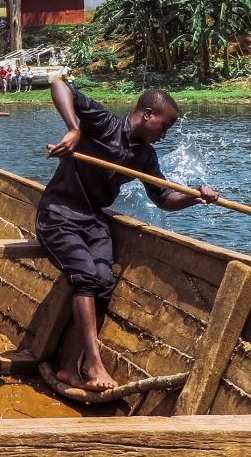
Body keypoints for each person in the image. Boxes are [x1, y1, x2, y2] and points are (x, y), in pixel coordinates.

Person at [39, 77, 220, 391]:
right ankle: (94, 366)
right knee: (84, 275)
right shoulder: (102, 123)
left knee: (104, 282)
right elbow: (59, 85)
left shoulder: (145, 156)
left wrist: (194, 196)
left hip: (92, 220)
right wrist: (73, 128)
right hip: (58, 214)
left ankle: (69, 366)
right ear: (148, 114)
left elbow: (163, 199)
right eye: (164, 126)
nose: (164, 135)